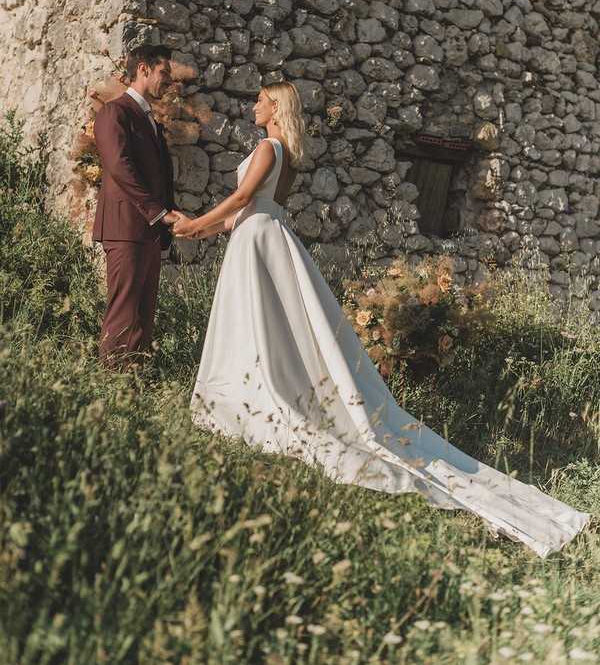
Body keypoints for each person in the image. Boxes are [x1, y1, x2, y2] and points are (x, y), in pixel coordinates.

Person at [174, 82, 590, 557]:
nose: (253, 105)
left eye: (261, 100)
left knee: (260, 324)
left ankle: (252, 394)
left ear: (275, 108)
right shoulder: (283, 152)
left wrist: (196, 224)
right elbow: (243, 214)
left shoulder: (269, 146)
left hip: (260, 239)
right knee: (260, 323)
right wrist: (198, 226)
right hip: (259, 237)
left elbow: (243, 197)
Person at [93, 45, 180, 364]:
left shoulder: (150, 120)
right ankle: (111, 391)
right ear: (143, 69)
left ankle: (134, 391)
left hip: (149, 232)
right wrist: (159, 212)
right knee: (123, 314)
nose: (168, 82)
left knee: (144, 317)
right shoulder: (114, 112)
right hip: (125, 228)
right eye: (164, 74)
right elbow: (119, 166)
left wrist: (165, 220)